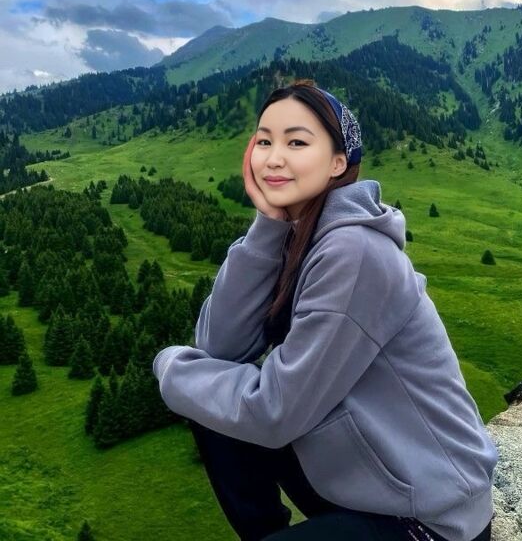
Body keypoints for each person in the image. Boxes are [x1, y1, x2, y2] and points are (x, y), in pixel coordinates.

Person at [152, 78, 498, 541]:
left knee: (201, 387)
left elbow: (274, 411)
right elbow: (220, 348)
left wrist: (170, 366)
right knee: (210, 406)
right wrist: (268, 225)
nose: (274, 157)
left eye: (296, 142)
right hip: (362, 479)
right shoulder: (297, 234)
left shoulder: (354, 251)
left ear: (338, 162)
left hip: (428, 514)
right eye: (264, 142)